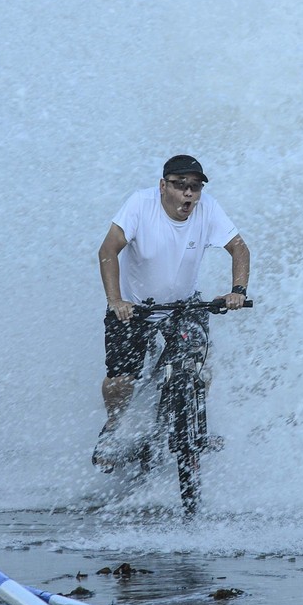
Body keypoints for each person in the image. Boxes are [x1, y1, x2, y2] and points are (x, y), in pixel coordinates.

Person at [93, 154, 250, 472]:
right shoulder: (140, 204)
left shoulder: (208, 209)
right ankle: (112, 430)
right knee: (121, 380)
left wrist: (238, 291)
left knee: (201, 366)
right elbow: (108, 250)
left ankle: (197, 428)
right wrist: (116, 301)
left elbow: (239, 248)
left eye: (194, 187)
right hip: (135, 308)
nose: (188, 194)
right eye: (180, 186)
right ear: (163, 186)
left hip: (184, 305)